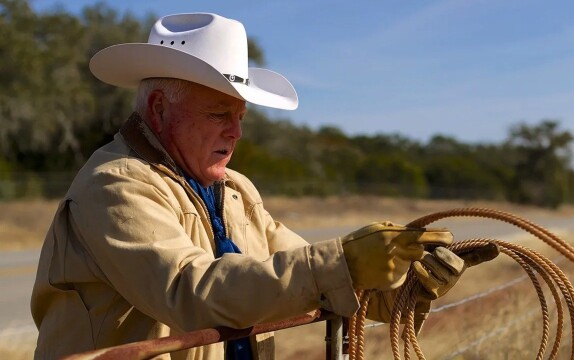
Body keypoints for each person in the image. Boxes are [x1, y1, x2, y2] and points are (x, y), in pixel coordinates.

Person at [30, 12, 498, 360]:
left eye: (239, 117)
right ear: (158, 109)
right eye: (219, 114)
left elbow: (315, 277)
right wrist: (344, 261)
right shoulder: (116, 183)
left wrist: (410, 286)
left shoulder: (235, 191)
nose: (236, 132)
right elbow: (191, 291)